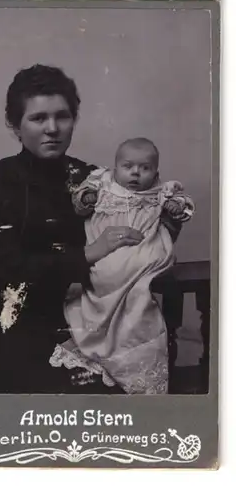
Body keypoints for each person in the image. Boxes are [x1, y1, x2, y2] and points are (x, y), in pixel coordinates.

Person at [0, 65, 181, 394]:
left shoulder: (96, 179)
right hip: (15, 314)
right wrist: (90, 252)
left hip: (90, 312)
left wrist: (166, 222)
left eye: (62, 116)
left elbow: (137, 240)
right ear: (15, 125)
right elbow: (7, 267)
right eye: (38, 118)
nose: (52, 128)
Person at [49, 138, 195, 394]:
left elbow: (184, 207)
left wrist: (175, 206)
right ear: (115, 167)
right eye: (128, 166)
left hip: (144, 245)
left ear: (156, 172)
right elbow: (79, 203)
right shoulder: (102, 182)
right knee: (105, 272)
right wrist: (87, 198)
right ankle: (103, 335)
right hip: (108, 247)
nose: (136, 173)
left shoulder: (160, 191)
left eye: (145, 168)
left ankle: (134, 356)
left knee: (141, 278)